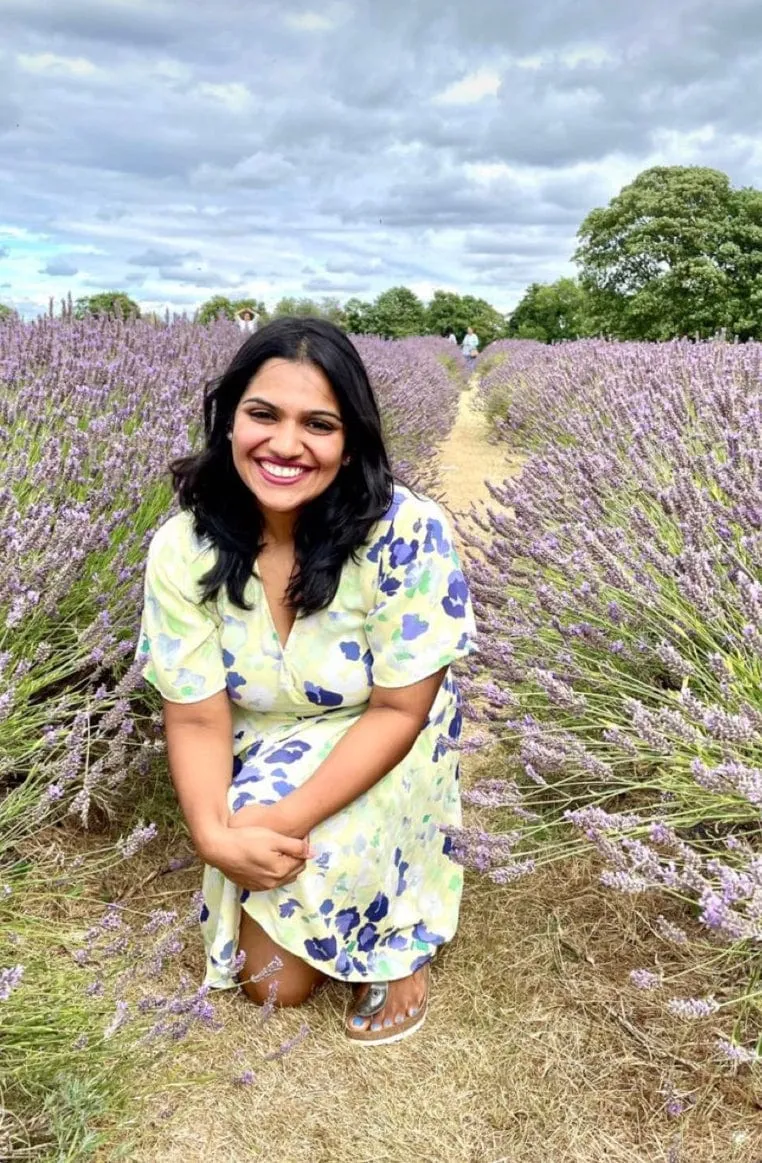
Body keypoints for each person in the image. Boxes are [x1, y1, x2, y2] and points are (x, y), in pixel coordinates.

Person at [137, 317, 477, 1046]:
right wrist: (211, 835)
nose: (285, 445)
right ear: (227, 419)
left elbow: (399, 708)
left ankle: (398, 936)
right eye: (263, 414)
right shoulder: (183, 547)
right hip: (266, 739)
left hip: (387, 734)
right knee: (272, 987)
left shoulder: (406, 531)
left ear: (349, 439)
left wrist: (274, 823)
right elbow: (196, 717)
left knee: (278, 951)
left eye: (317, 424)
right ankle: (327, 896)